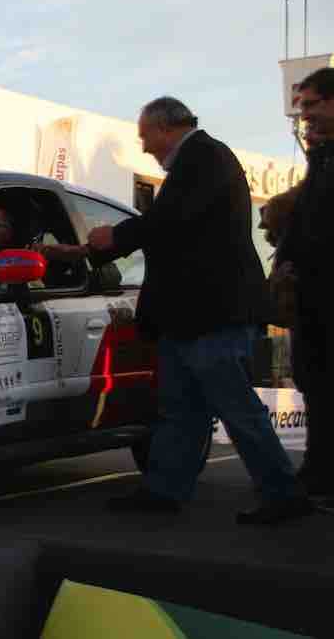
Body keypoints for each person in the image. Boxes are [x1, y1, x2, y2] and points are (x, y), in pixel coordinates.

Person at [87, 96, 311, 525]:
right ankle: (164, 490)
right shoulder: (202, 161)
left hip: (213, 316)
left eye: (146, 136)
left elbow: (169, 222)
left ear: (166, 127)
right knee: (183, 410)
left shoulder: (205, 158)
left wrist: (115, 238)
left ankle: (282, 494)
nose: (144, 147)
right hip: (190, 318)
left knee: (234, 407)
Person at [274, 67, 334, 505]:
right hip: (312, 297)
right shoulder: (322, 158)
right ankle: (318, 474)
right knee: (315, 385)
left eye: (312, 105)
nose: (305, 116)